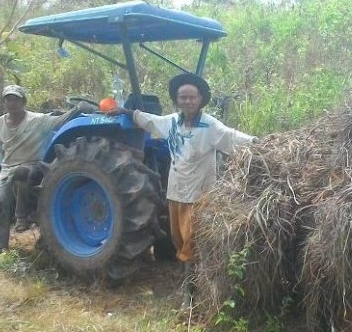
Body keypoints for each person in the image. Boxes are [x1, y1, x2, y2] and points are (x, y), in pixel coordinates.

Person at [107, 73, 257, 308]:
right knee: (179, 241)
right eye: (182, 97)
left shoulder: (210, 126)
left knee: (191, 244)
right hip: (176, 194)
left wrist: (260, 142)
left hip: (200, 196)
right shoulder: (172, 122)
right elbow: (149, 121)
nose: (187, 101)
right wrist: (126, 113)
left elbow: (233, 137)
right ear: (177, 100)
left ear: (200, 99)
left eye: (192, 97)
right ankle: (191, 284)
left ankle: (190, 295)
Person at [0, 85, 94, 257]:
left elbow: (59, 121)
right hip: (7, 168)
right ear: (4, 102)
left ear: (23, 101)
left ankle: (22, 218)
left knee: (21, 173)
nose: (12, 103)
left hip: (31, 165)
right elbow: (1, 150)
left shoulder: (37, 120)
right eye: (8, 99)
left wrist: (77, 109)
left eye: (15, 99)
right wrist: (4, 168)